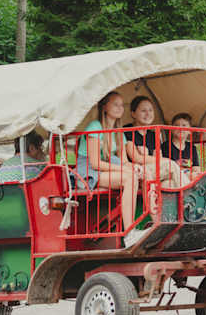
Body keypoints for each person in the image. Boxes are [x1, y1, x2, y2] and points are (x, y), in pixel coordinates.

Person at [77, 91, 140, 230]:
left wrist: (134, 167)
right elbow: (95, 163)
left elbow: (124, 161)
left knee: (141, 175)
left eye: (122, 105)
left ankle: (155, 224)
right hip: (88, 171)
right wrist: (125, 169)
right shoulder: (95, 127)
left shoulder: (118, 131)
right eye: (115, 104)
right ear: (104, 107)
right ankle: (130, 230)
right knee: (130, 178)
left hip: (107, 168)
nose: (120, 108)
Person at [124, 95, 181, 188]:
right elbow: (137, 158)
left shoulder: (153, 135)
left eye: (150, 110)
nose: (148, 114)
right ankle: (190, 199)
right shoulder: (127, 130)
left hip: (151, 171)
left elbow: (158, 158)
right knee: (170, 165)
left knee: (169, 183)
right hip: (136, 171)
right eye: (143, 111)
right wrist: (164, 160)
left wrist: (146, 156)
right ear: (133, 114)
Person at [162, 113, 201, 184]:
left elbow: (196, 168)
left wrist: (194, 173)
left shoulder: (192, 148)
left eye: (184, 125)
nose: (180, 128)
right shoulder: (166, 146)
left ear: (189, 130)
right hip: (174, 177)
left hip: (189, 177)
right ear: (171, 129)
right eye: (176, 125)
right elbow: (168, 169)